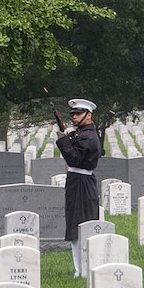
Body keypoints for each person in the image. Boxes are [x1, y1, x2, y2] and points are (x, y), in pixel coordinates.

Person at [57, 98, 101, 277]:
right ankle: (79, 267)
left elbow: (73, 158)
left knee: (81, 224)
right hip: (77, 181)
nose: (74, 117)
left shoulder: (87, 136)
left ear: (88, 115)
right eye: (73, 114)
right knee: (75, 223)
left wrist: (63, 139)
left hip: (82, 183)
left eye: (78, 114)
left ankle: (82, 267)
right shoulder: (83, 133)